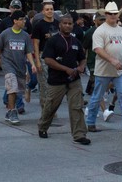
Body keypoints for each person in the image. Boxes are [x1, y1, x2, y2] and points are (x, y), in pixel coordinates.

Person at [37, 14, 90, 145]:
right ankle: (43, 126)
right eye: (65, 23)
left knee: (77, 106)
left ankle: (79, 134)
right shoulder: (53, 40)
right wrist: (65, 69)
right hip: (57, 80)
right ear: (60, 25)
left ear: (73, 25)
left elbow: (82, 57)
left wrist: (82, 66)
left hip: (74, 80)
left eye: (70, 23)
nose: (67, 26)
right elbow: (48, 59)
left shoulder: (76, 41)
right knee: (51, 106)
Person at [86, 1, 122, 134]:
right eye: (110, 14)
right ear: (106, 15)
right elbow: (98, 49)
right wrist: (112, 60)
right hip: (103, 70)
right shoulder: (100, 31)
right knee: (97, 96)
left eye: (115, 13)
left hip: (120, 71)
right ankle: (90, 122)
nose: (113, 16)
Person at [0, 11, 36, 125]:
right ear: (15, 21)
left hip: (20, 67)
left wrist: (32, 64)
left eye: (24, 19)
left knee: (18, 91)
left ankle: (9, 111)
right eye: (21, 19)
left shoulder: (25, 36)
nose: (24, 21)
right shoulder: (5, 34)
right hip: (8, 65)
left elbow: (28, 52)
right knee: (12, 88)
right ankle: (12, 111)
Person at [32, 0, 59, 110]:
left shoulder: (58, 23)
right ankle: (46, 109)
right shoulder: (39, 25)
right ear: (43, 11)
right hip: (44, 56)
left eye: (51, 9)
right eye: (47, 9)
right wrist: (37, 60)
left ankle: (53, 108)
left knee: (56, 84)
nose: (49, 11)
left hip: (57, 57)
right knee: (45, 84)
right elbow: (36, 44)